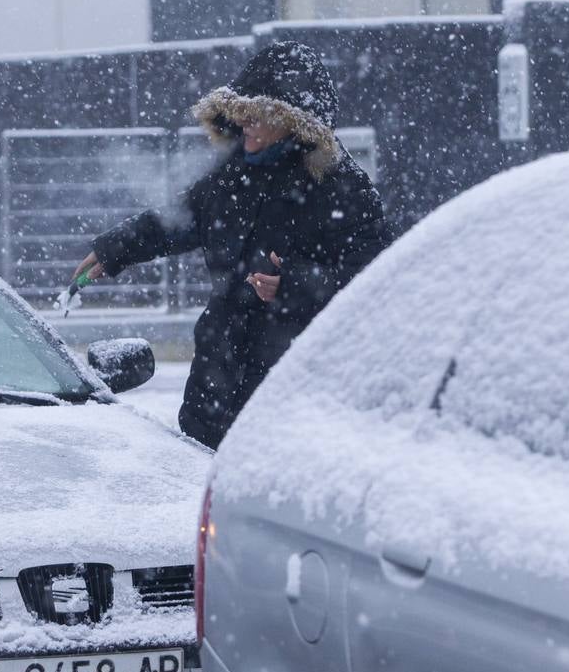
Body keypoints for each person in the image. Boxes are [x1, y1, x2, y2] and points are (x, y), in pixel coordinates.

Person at [73, 41, 395, 449]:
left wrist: (294, 285)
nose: (242, 121)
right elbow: (179, 219)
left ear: (290, 121)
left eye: (255, 113)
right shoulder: (232, 174)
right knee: (198, 499)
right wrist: (114, 249)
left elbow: (379, 285)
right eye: (239, 109)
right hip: (214, 385)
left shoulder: (344, 190)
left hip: (295, 397)